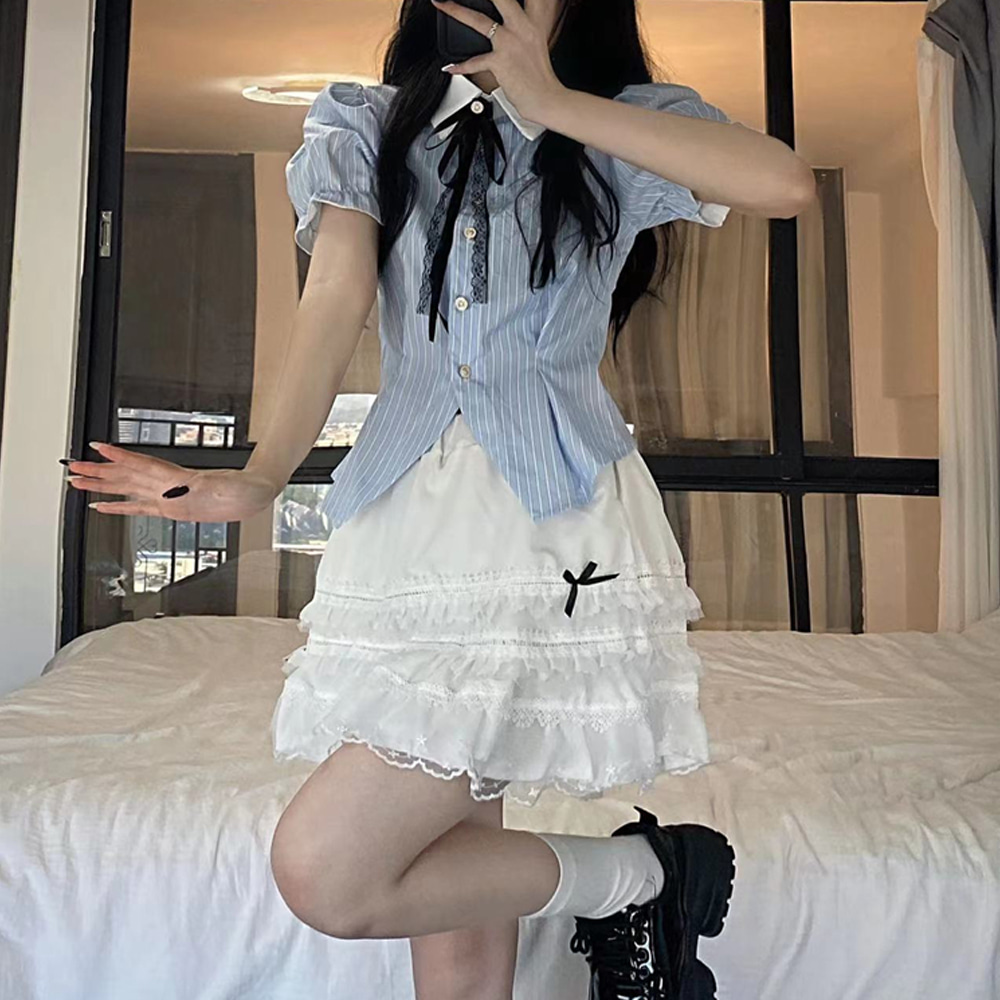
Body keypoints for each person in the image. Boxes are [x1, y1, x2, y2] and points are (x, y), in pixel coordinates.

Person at [70, 0, 815, 996]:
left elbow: (783, 184)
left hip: (550, 523)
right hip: (405, 522)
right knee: (451, 891)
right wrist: (263, 472)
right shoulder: (367, 123)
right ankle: (642, 882)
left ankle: (643, 878)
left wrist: (556, 102)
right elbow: (334, 297)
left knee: (327, 871)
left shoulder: (620, 119)